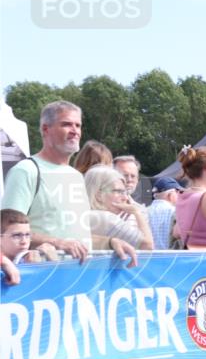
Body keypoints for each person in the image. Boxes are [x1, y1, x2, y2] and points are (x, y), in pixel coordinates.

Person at [1, 100, 136, 266]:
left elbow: (77, 239)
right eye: (66, 124)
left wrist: (110, 242)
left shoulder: (76, 176)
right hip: (44, 275)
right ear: (45, 129)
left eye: (78, 125)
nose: (75, 131)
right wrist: (57, 243)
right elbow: (7, 232)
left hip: (79, 276)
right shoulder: (26, 171)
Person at [84, 165, 154, 250]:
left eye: (125, 192)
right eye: (118, 191)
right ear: (99, 195)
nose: (125, 198)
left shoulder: (82, 216)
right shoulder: (107, 218)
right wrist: (137, 213)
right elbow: (147, 246)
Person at [1, 209, 59, 285]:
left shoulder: (31, 260)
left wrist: (54, 264)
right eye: (17, 235)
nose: (24, 241)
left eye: (27, 235)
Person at [148, 176, 181, 250]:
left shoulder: (143, 211)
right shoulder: (175, 211)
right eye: (178, 192)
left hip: (147, 256)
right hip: (171, 256)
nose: (179, 195)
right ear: (170, 195)